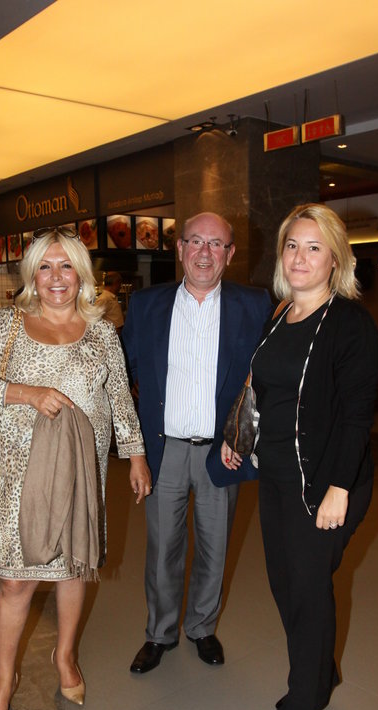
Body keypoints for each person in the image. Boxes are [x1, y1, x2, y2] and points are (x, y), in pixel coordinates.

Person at [0, 228, 151, 710]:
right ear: (31, 275)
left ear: (82, 273)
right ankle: (4, 678)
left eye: (66, 265)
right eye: (45, 266)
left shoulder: (102, 332)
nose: (56, 277)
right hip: (19, 473)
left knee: (73, 568)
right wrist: (28, 393)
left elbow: (119, 398)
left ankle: (65, 656)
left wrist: (135, 455)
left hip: (83, 471)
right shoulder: (6, 323)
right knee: (16, 580)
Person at [222, 203, 378, 710]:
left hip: (326, 478)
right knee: (284, 582)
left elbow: (357, 416)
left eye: (314, 247)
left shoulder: (350, 323)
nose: (300, 257)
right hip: (277, 474)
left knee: (308, 586)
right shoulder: (279, 315)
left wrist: (339, 487)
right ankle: (320, 669)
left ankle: (307, 694)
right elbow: (260, 387)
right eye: (292, 245)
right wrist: (237, 436)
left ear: (336, 259)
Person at [122, 212, 272, 674]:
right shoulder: (146, 304)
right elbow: (123, 372)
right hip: (164, 450)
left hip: (221, 451)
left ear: (229, 253)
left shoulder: (255, 305)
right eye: (196, 242)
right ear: (180, 248)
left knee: (214, 545)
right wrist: (134, 449)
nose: (205, 252)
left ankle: (202, 627)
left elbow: (265, 378)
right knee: (162, 549)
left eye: (216, 244)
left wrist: (243, 438)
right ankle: (160, 633)